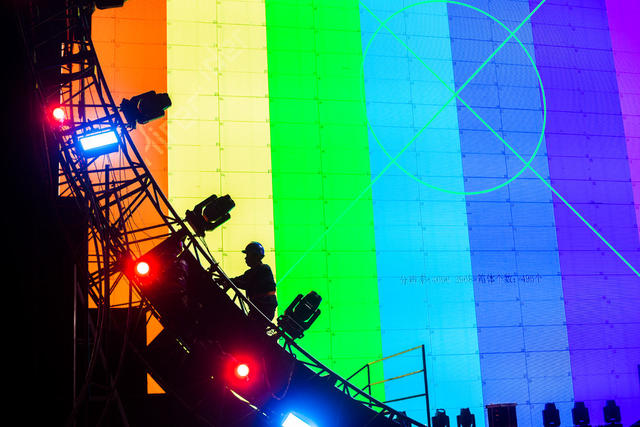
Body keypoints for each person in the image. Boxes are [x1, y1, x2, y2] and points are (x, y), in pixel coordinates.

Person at [231, 241, 277, 321]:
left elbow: (248, 283)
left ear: (255, 256)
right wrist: (229, 280)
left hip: (263, 312)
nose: (245, 258)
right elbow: (239, 280)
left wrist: (231, 282)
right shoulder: (252, 272)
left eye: (247, 255)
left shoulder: (264, 269)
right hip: (258, 311)